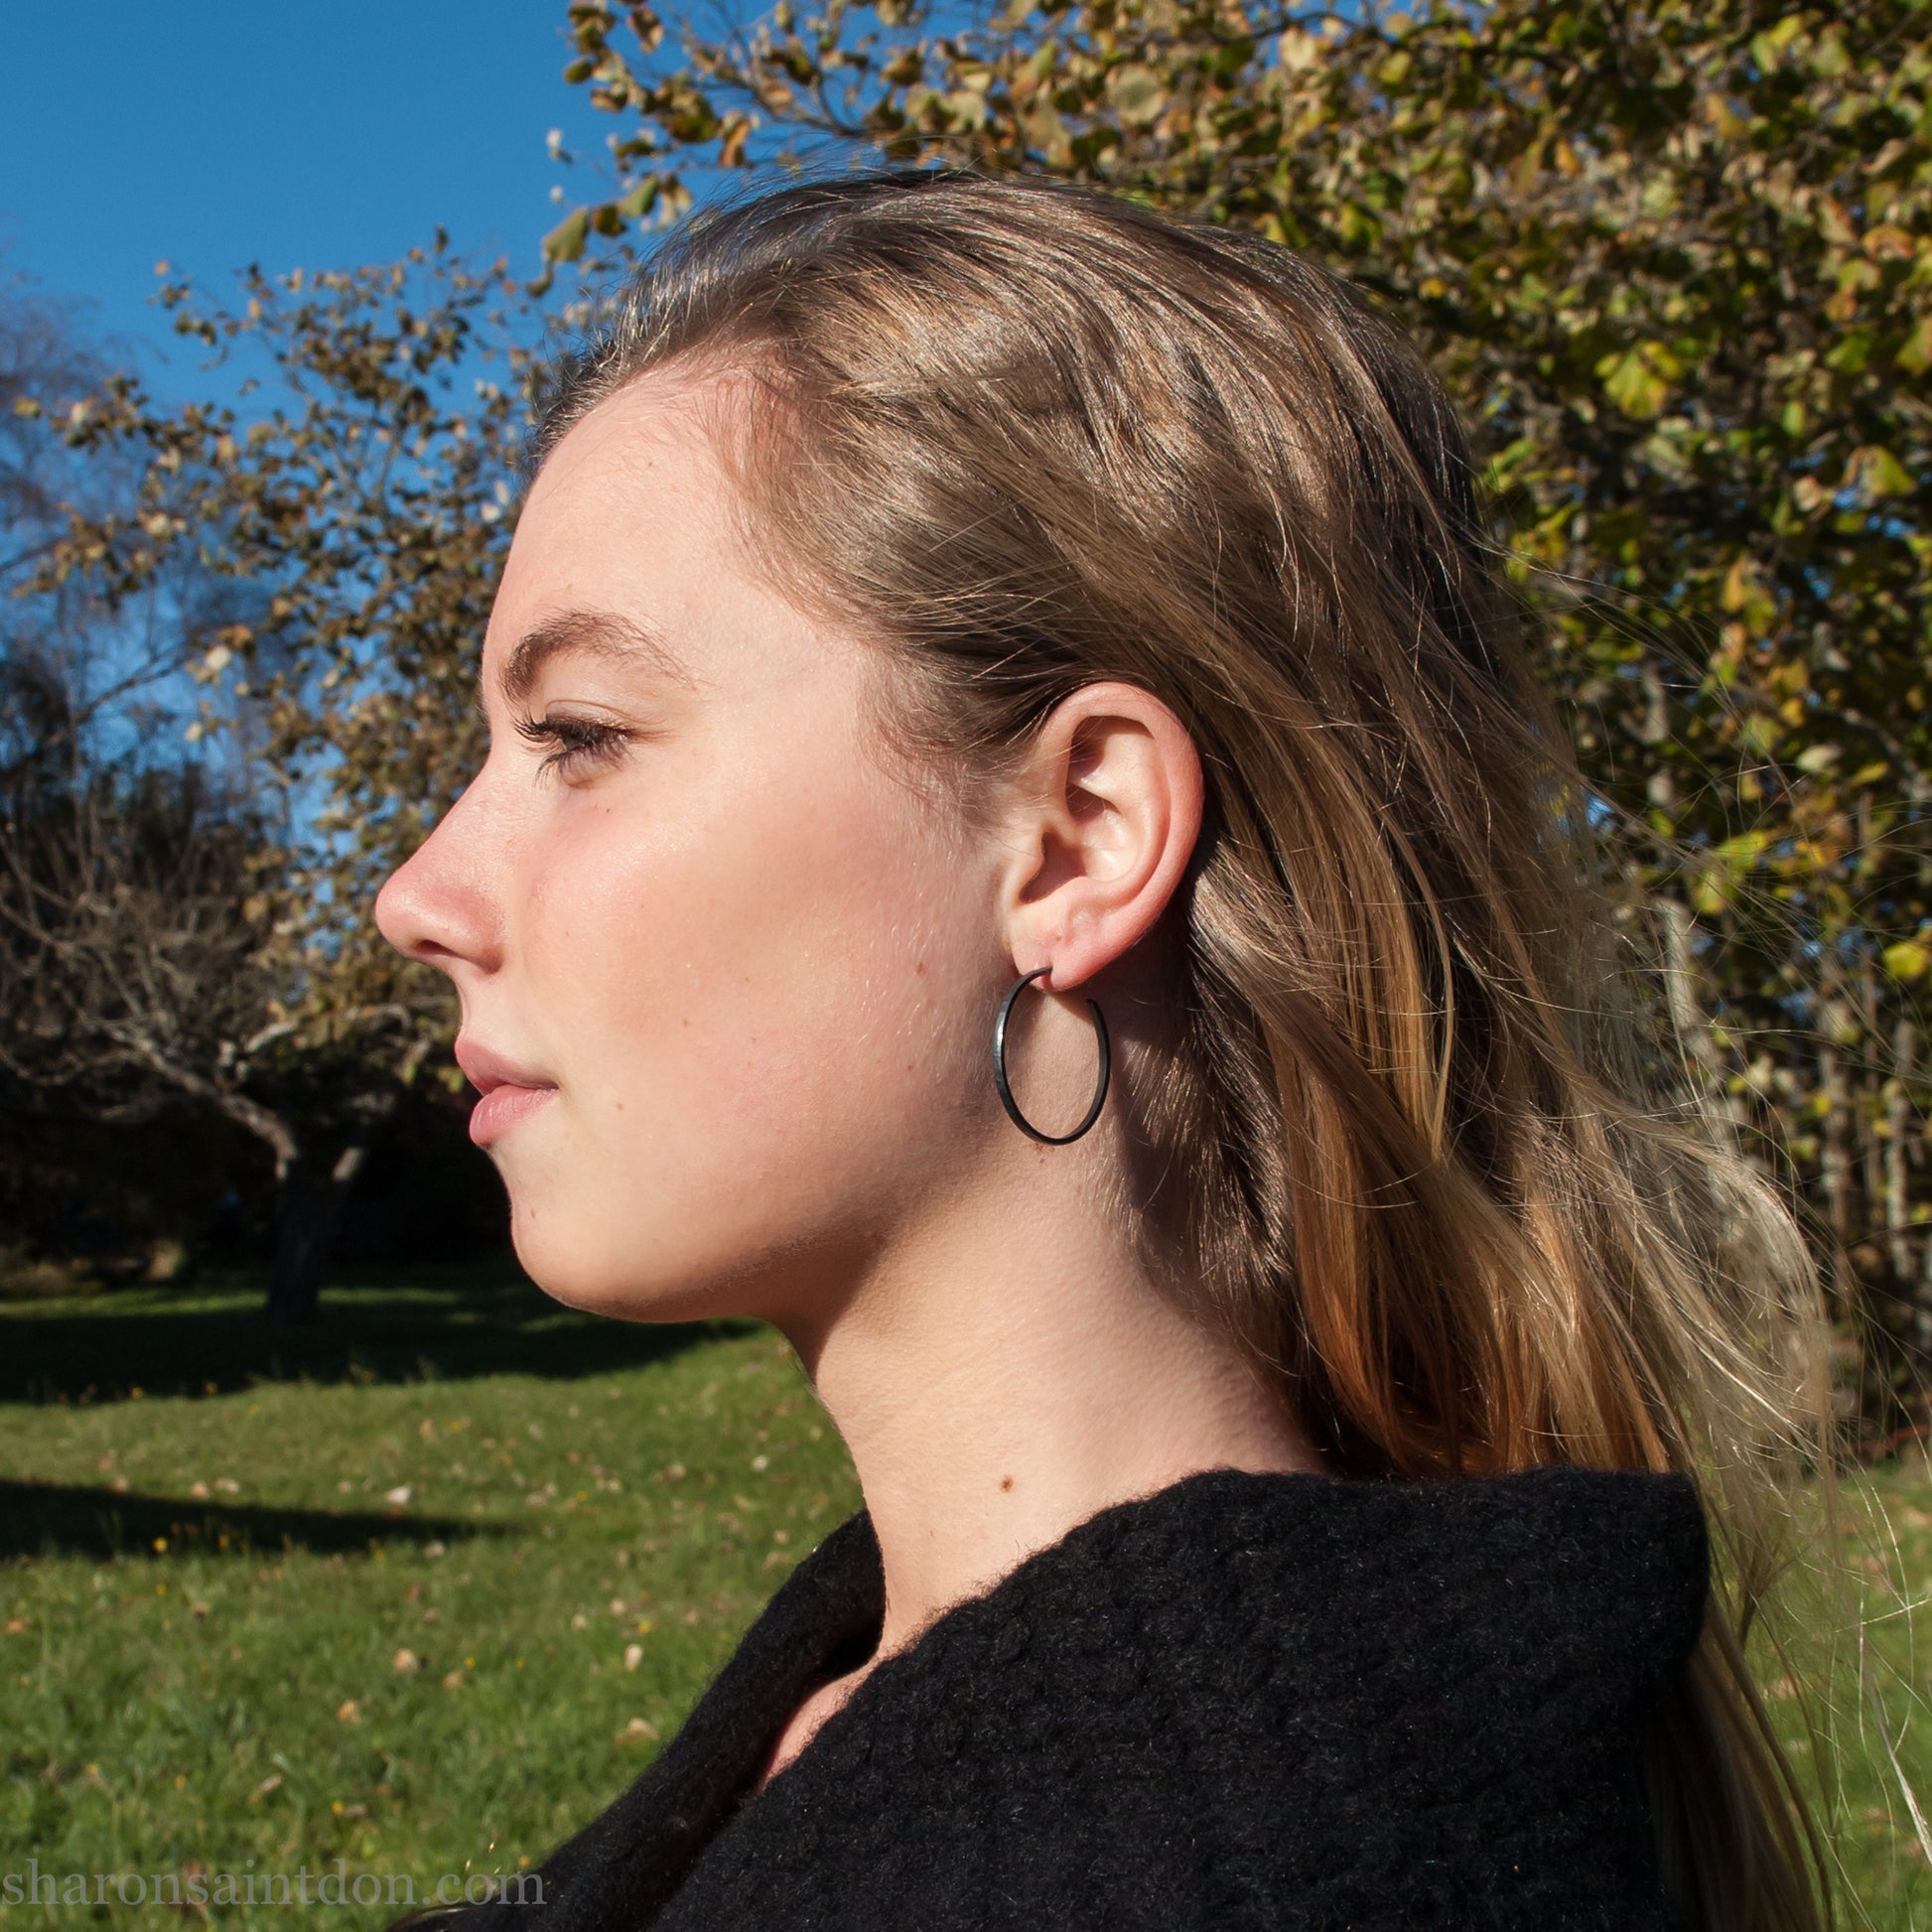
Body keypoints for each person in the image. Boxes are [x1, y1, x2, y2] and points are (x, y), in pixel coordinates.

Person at [375, 170, 1836, 1930]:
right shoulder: (910, 1688)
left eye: (582, 732)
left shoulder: (1254, 1859)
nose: (418, 891)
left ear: (1075, 837)